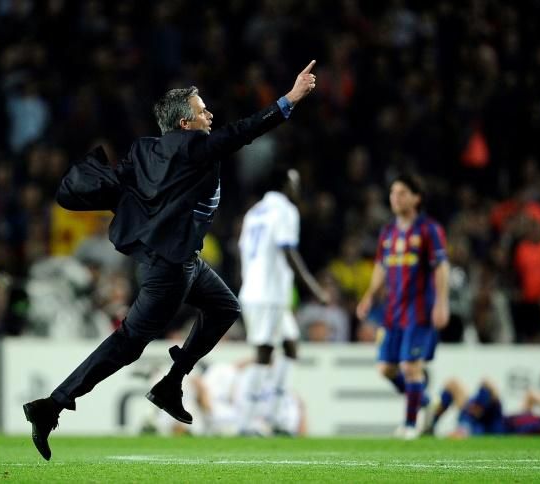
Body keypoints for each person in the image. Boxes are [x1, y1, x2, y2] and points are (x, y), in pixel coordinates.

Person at [23, 60, 319, 460]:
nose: (209, 115)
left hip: (179, 261)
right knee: (127, 343)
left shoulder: (144, 150)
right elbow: (242, 132)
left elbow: (121, 185)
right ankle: (52, 406)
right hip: (170, 269)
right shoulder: (196, 148)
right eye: (202, 111)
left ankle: (170, 384)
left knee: (224, 307)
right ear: (185, 124)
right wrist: (289, 99)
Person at [356, 174, 450, 439]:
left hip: (420, 310)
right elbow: (380, 267)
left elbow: (441, 266)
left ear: (416, 198)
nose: (395, 198)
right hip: (393, 311)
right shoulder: (388, 232)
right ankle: (426, 404)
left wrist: (442, 303)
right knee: (386, 368)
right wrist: (369, 296)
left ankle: (410, 425)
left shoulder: (429, 229)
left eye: (402, 193)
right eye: (393, 193)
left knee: (410, 366)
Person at [236, 166, 327, 434]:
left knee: (290, 345)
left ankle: (275, 415)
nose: (298, 189)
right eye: (295, 183)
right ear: (285, 185)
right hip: (268, 294)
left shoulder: (254, 212)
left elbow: (243, 249)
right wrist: (313, 288)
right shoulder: (285, 210)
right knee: (264, 353)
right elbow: (287, 250)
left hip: (258, 290)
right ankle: (247, 421)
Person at [426, 377, 540, 438]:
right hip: (497, 420)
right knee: (454, 385)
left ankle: (465, 426)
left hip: (499, 426)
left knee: (487, 388)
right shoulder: (537, 418)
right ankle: (461, 425)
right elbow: (531, 396)